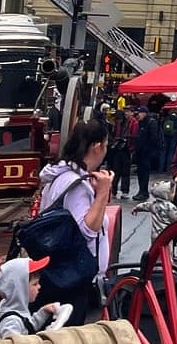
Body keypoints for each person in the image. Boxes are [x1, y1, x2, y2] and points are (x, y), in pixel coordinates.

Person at [35, 120, 116, 324]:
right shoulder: (76, 185)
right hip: (72, 280)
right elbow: (87, 230)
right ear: (97, 146)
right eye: (105, 145)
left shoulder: (63, 176)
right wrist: (103, 193)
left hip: (60, 274)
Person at [0, 256, 73, 337]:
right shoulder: (11, 322)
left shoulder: (18, 311)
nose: (39, 287)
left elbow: (28, 326)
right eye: (35, 284)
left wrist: (44, 312)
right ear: (20, 289)